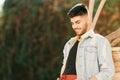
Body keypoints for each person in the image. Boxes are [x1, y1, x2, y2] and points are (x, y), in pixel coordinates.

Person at [57, 3, 115, 80]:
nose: (74, 26)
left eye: (78, 22)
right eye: (72, 23)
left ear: (88, 20)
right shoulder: (69, 44)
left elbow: (108, 72)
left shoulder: (100, 41)